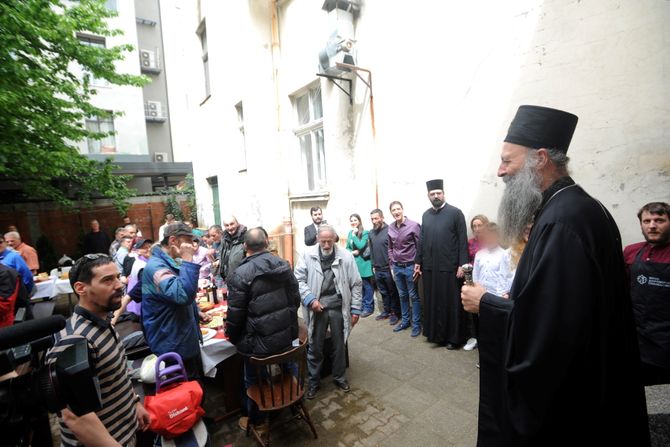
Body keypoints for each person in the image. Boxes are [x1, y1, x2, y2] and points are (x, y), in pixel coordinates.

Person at [461, 105, 649, 446]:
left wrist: (486, 304)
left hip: (576, 404)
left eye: (508, 161)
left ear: (541, 158)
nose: (500, 171)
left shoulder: (563, 221)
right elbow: (559, 303)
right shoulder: (570, 207)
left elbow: (551, 337)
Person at [46, 254, 150, 446]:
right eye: (107, 280)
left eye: (118, 277)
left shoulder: (102, 321)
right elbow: (75, 417)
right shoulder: (73, 340)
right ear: (81, 288)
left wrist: (134, 402)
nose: (119, 284)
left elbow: (114, 372)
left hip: (125, 433)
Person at [226, 227, 300, 429]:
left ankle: (258, 420)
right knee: (289, 361)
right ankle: (295, 403)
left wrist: (231, 337)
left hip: (258, 344)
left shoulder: (240, 274)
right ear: (266, 242)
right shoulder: (282, 264)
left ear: (244, 246)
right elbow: (296, 299)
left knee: (252, 374)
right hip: (287, 336)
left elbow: (235, 316)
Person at [294, 224, 362, 399]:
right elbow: (299, 280)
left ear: (334, 239)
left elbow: (356, 283)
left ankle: (339, 377)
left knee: (339, 345)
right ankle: (314, 381)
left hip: (338, 307)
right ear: (317, 239)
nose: (326, 245)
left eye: (329, 241)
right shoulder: (307, 255)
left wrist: (355, 309)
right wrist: (310, 300)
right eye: (323, 241)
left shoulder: (345, 256)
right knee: (315, 347)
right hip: (316, 308)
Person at [142, 222, 206, 379]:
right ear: (172, 241)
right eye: (188, 240)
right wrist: (188, 260)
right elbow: (182, 295)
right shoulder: (156, 267)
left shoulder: (170, 261)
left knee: (196, 385)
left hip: (181, 337)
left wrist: (195, 311)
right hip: (172, 342)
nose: (192, 245)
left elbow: (173, 294)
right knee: (187, 391)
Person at [415, 180, 469, 348]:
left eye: (438, 192)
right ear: (428, 196)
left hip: (449, 267)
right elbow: (422, 240)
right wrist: (418, 262)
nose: (436, 196)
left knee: (450, 304)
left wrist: (462, 264)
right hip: (430, 267)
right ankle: (435, 335)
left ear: (443, 193)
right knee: (433, 301)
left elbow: (462, 240)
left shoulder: (455, 213)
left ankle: (453, 339)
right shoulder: (426, 215)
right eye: (432, 194)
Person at [624, 202, 670, 386]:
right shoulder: (631, 252)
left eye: (659, 220)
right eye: (647, 220)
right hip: (639, 341)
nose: (652, 225)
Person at [387, 201, 422, 337]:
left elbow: (420, 247)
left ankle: (416, 324)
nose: (396, 212)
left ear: (402, 209)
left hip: (410, 267)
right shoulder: (390, 228)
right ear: (391, 212)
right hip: (397, 267)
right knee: (402, 295)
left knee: (413, 296)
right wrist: (391, 263)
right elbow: (390, 247)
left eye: (398, 209)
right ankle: (405, 321)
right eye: (393, 210)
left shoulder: (413, 225)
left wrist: (418, 265)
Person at [369, 209, 400, 325]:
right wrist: (373, 265)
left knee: (392, 291)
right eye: (372, 219)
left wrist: (392, 266)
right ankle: (386, 311)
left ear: (382, 218)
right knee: (383, 291)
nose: (374, 221)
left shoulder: (389, 230)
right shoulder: (371, 233)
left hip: (388, 268)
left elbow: (394, 249)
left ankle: (395, 313)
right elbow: (371, 249)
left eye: (376, 218)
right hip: (377, 268)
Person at [346, 213, 374, 317]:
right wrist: (352, 252)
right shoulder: (350, 233)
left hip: (364, 264)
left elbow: (361, 245)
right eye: (351, 220)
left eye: (355, 220)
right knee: (358, 286)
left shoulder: (365, 232)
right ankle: (360, 306)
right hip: (354, 263)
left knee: (367, 286)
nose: (353, 222)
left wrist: (354, 235)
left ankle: (368, 307)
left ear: (359, 221)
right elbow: (347, 247)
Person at [219, 215, 247, 283]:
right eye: (227, 225)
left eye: (232, 224)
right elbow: (223, 253)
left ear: (237, 223)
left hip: (242, 280)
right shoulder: (224, 238)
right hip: (228, 279)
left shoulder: (245, 237)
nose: (230, 227)